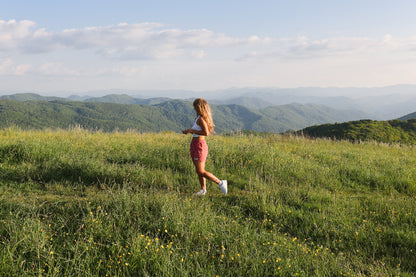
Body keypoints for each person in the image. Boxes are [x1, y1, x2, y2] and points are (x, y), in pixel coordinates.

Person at [182, 98, 227, 196]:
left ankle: (220, 182)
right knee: (198, 170)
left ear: (199, 107)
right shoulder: (197, 118)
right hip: (194, 144)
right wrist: (189, 131)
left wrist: (192, 131)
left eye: (195, 107)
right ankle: (203, 189)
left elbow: (206, 133)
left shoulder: (201, 119)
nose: (194, 109)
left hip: (200, 146)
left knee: (201, 170)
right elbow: (197, 132)